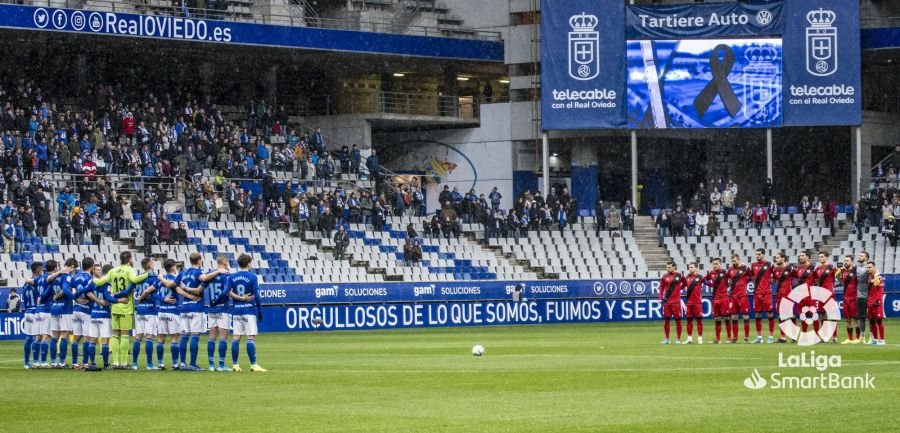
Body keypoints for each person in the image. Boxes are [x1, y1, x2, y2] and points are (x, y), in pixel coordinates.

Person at [91, 251, 152, 369]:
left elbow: (99, 282)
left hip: (114, 307)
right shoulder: (130, 270)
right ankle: (123, 363)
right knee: (124, 335)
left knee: (115, 335)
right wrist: (148, 274)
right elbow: (134, 280)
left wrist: (91, 278)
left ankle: (115, 362)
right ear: (129, 259)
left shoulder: (113, 270)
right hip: (126, 306)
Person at [223, 253, 266, 372]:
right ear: (248, 263)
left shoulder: (232, 277)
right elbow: (256, 295)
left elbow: (228, 292)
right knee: (250, 337)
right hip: (248, 309)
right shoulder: (253, 277)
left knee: (236, 337)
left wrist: (238, 298)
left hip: (236, 310)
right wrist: (260, 309)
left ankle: (235, 365)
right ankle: (253, 365)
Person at [200, 255, 233, 371]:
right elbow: (226, 290)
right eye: (227, 262)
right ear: (224, 262)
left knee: (211, 337)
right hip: (222, 308)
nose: (228, 264)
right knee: (223, 338)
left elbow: (201, 286)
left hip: (212, 309)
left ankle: (211, 365)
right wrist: (218, 299)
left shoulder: (210, 274)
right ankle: (221, 365)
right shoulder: (226, 275)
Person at [69, 257, 96, 369]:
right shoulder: (91, 278)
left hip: (76, 310)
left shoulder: (74, 277)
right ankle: (85, 363)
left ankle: (75, 362)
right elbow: (89, 293)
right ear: (92, 266)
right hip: (86, 310)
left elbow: (67, 290)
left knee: (76, 337)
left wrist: (75, 298)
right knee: (86, 338)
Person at [155, 259, 182, 370]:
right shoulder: (175, 279)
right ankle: (175, 364)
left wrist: (162, 299)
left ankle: (160, 363)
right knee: (175, 338)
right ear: (173, 267)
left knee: (161, 339)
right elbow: (180, 291)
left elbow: (151, 292)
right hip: (172, 311)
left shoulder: (160, 280)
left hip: (161, 311)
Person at [748, 249, 775, 344]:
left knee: (770, 315)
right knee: (757, 315)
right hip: (756, 294)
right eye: (756, 254)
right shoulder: (753, 265)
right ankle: (759, 337)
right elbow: (750, 276)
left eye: (759, 254)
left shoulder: (769, 264)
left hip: (767, 294)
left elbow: (775, 275)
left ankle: (771, 337)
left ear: (763, 254)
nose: (757, 256)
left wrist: (770, 280)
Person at [701, 258, 730, 344]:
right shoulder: (711, 273)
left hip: (724, 298)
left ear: (720, 264)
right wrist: (710, 284)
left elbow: (733, 278)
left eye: (716, 264)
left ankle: (729, 338)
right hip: (715, 298)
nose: (714, 266)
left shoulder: (725, 272)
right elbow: (703, 279)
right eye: (713, 264)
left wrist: (727, 286)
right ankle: (717, 339)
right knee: (717, 319)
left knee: (727, 318)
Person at [812, 252, 838, 343]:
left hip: (829, 294)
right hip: (820, 295)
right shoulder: (817, 269)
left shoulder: (832, 267)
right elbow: (815, 280)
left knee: (831, 315)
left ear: (827, 257)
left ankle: (834, 337)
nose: (820, 258)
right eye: (819, 257)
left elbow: (840, 278)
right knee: (822, 315)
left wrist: (833, 287)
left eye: (822, 257)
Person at [726, 254, 752, 343]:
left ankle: (746, 337)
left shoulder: (745, 268)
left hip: (743, 296)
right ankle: (735, 338)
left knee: (745, 316)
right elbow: (728, 281)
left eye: (734, 261)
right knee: (734, 317)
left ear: (739, 260)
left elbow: (751, 276)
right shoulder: (730, 270)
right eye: (732, 261)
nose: (733, 262)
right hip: (733, 297)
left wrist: (745, 282)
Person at [835, 256, 860, 344]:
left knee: (855, 319)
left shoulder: (856, 271)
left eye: (847, 261)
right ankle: (849, 339)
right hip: (846, 298)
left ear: (852, 262)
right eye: (844, 260)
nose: (845, 262)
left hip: (854, 298)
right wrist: (839, 273)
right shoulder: (843, 272)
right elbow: (841, 282)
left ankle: (858, 338)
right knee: (847, 319)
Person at [658, 262, 684, 345]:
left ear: (674, 267)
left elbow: (685, 283)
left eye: (669, 267)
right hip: (667, 302)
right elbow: (661, 287)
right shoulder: (664, 276)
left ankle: (678, 339)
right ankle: (667, 339)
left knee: (678, 321)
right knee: (666, 321)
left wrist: (679, 288)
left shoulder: (679, 276)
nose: (667, 269)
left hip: (676, 302)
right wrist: (660, 298)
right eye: (667, 267)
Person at [772, 253, 794, 343]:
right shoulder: (775, 270)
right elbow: (773, 279)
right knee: (780, 316)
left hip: (788, 295)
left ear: (783, 258)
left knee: (790, 316)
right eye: (776, 258)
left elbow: (799, 277)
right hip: (779, 296)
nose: (776, 259)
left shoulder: (791, 269)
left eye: (777, 258)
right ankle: (783, 337)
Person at [682, 262, 704, 344]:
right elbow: (681, 286)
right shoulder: (686, 277)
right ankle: (689, 338)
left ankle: (700, 338)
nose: (690, 268)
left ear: (696, 268)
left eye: (691, 267)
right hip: (689, 303)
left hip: (697, 302)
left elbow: (709, 283)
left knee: (699, 321)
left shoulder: (700, 277)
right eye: (689, 267)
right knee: (689, 321)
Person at [864, 262, 885, 345]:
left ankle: (882, 340)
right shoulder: (869, 278)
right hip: (869, 303)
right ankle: (875, 339)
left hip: (876, 303)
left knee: (879, 321)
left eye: (870, 267)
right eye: (867, 267)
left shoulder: (878, 277)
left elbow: (880, 290)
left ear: (874, 268)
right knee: (872, 321)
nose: (868, 269)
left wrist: (878, 300)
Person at [855, 252, 871, 343]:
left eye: (861, 255)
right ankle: (862, 336)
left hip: (868, 296)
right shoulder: (856, 267)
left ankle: (872, 336)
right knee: (861, 318)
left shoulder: (869, 268)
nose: (859, 256)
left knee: (871, 318)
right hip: (859, 296)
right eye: (859, 255)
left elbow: (876, 273)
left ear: (866, 258)